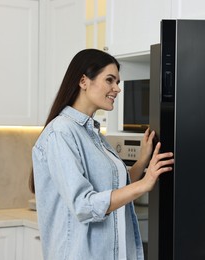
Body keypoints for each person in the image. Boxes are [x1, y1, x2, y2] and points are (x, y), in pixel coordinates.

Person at [29, 49, 174, 260]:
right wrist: (145, 184)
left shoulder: (92, 133)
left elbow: (116, 187)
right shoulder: (61, 132)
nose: (117, 88)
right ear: (83, 81)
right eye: (110, 80)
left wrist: (143, 160)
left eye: (118, 82)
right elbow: (83, 205)